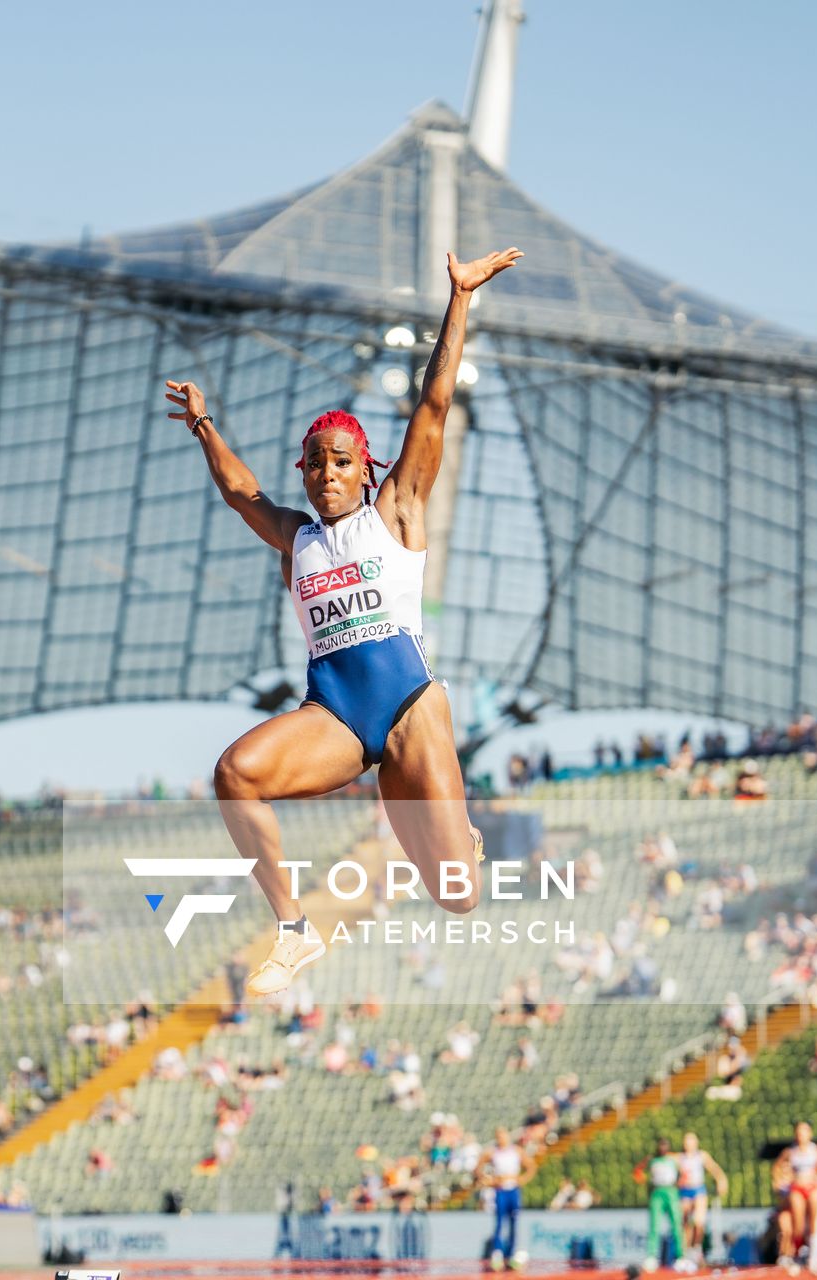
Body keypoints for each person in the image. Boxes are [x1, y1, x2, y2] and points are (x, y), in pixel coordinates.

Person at [166, 245, 522, 996]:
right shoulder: (296, 537)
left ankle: (467, 841)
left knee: (457, 895)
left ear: (366, 468)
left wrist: (461, 298)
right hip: (335, 715)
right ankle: (293, 932)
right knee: (235, 774)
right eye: (315, 464)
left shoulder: (396, 511)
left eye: (340, 462)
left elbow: (433, 405)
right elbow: (240, 494)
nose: (327, 474)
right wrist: (203, 426)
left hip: (409, 710)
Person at [773, 1121, 817, 1273]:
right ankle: (795, 1254)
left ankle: (813, 1260)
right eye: (799, 1131)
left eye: (804, 1131)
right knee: (799, 1225)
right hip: (797, 1188)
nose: (801, 1134)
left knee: (815, 1223)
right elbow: (776, 1168)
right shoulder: (790, 1151)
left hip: (813, 1188)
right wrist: (780, 1181)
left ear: (810, 1133)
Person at [478, 1126, 535, 1270]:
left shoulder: (516, 1151)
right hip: (500, 1190)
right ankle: (497, 1255)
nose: (501, 1139)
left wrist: (521, 1179)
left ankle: (511, 1254)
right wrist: (489, 1180)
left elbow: (531, 1166)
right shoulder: (492, 1152)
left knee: (513, 1223)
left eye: (503, 1135)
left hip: (513, 1190)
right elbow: (478, 1167)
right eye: (498, 1136)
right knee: (499, 1223)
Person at [677, 1132, 730, 1264]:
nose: (688, 1143)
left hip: (698, 1190)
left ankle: (697, 1248)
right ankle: (685, 1251)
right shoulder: (679, 1158)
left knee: (699, 1221)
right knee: (685, 1223)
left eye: (691, 1141)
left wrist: (721, 1180)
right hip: (684, 1192)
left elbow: (715, 1169)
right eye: (686, 1141)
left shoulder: (701, 1156)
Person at [637, 1137, 686, 1270]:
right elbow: (637, 1172)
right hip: (657, 1192)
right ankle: (652, 1257)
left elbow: (684, 1175)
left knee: (676, 1224)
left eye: (665, 1145)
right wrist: (644, 1180)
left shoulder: (673, 1159)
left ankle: (680, 1257)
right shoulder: (652, 1159)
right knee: (654, 1225)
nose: (663, 1148)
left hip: (671, 1192)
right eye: (661, 1145)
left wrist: (678, 1185)